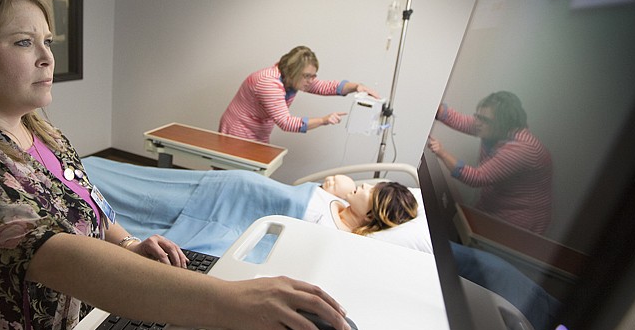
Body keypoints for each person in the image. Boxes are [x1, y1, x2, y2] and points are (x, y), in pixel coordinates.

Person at [0, 0, 351, 330]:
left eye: (47, 42)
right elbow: (53, 254)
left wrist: (124, 244)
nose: (46, 57)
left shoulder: (40, 132)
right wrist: (233, 302)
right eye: (22, 42)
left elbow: (87, 201)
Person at [81, 157, 432, 256]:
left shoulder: (340, 238)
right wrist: (343, 187)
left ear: (373, 213)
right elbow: (332, 183)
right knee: (141, 187)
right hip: (222, 189)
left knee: (142, 218)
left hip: (233, 219)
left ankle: (85, 214)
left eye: (373, 189)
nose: (366, 184)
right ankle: (82, 173)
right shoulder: (337, 196)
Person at [427, 91, 553, 234]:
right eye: (478, 117)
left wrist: (441, 152)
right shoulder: (495, 129)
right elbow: (460, 120)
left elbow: (476, 177)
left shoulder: (522, 149)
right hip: (496, 203)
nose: (477, 123)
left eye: (484, 120)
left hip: (519, 219)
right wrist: (430, 103)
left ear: (502, 124)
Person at [219, 45, 379, 143]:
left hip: (258, 131)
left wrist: (357, 86)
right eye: (307, 76)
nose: (311, 80)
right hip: (238, 131)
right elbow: (286, 123)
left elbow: (324, 86)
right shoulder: (269, 83)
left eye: (313, 76)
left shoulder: (292, 79)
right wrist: (323, 120)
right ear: (294, 72)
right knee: (231, 180)